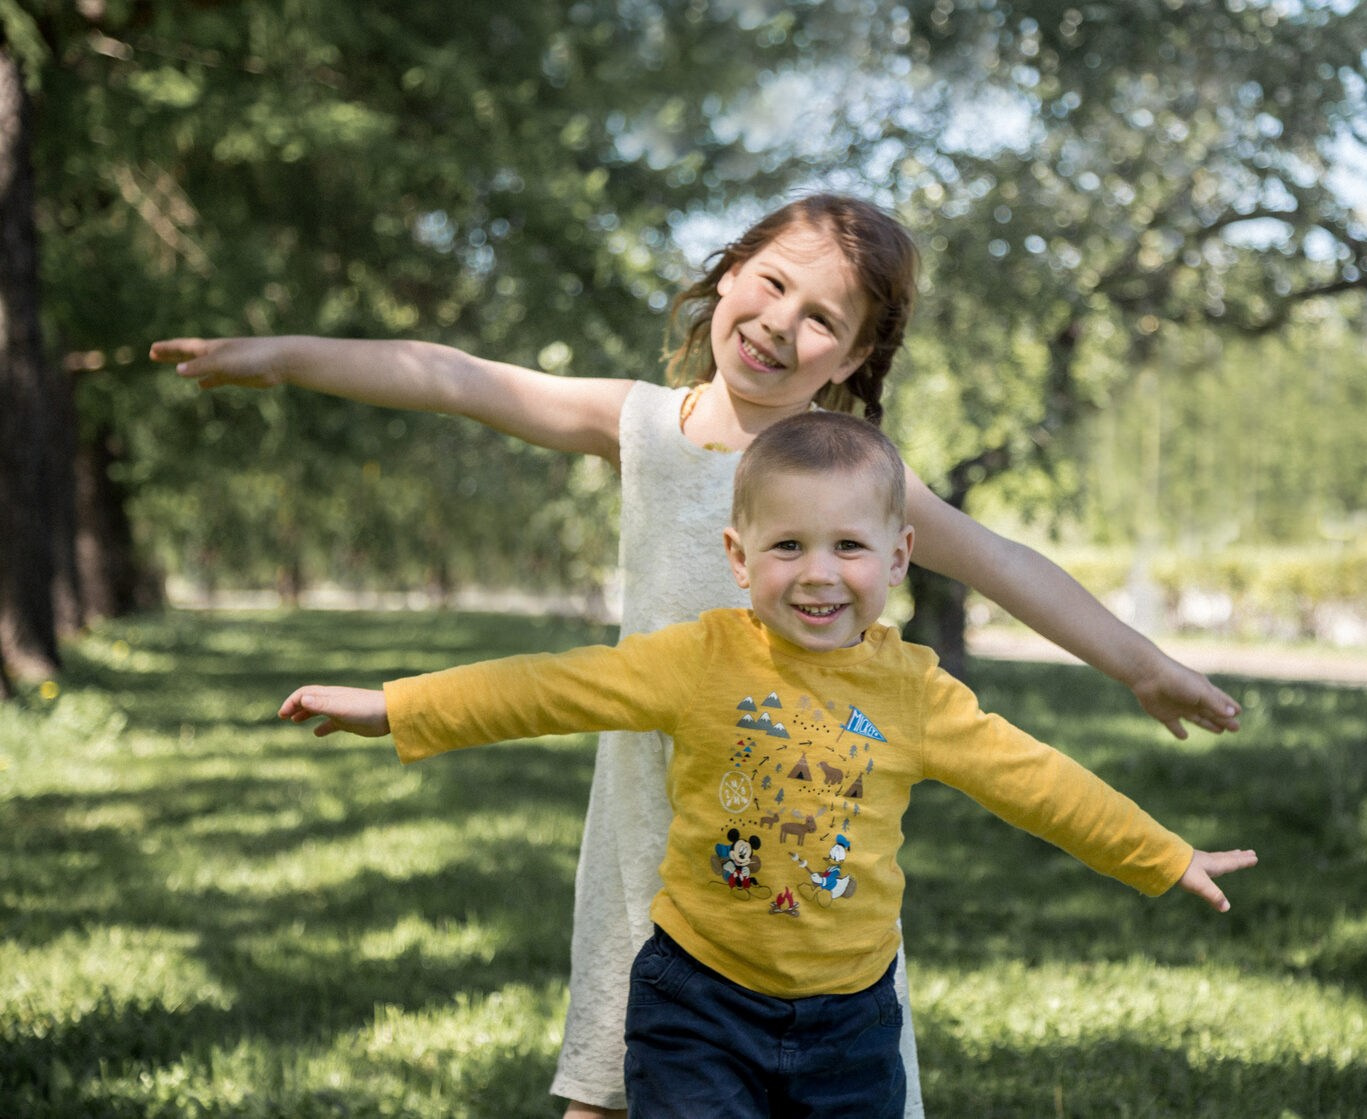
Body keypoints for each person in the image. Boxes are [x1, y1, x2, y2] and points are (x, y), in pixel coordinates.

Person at [152, 192, 1242, 1117]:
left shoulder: (861, 481)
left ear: (857, 356)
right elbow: (451, 375)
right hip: (652, 800)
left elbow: (1008, 562)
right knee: (609, 1071)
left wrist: (1139, 663)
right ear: (726, 277)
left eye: (822, 319)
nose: (778, 325)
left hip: (811, 830)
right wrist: (282, 357)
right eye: (769, 284)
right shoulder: (641, 423)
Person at [277, 410, 1259, 1119]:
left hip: (854, 1019)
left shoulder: (913, 692)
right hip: (699, 999)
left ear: (900, 553)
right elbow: (550, 687)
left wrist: (1161, 854)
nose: (821, 573)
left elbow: (1036, 780)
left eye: (849, 546)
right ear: (739, 558)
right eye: (788, 545)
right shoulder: (700, 659)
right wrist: (394, 706)